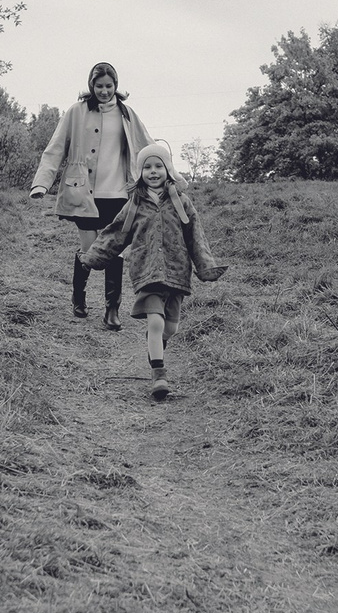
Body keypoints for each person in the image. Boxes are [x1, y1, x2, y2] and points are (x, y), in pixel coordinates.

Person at [83, 141, 226, 400]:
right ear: (140, 173)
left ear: (168, 170)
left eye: (158, 166)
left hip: (176, 271)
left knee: (170, 328)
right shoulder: (134, 205)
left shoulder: (182, 203)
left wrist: (206, 267)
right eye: (147, 167)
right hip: (146, 271)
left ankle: (156, 348)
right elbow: (116, 234)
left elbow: (197, 237)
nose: (153, 171)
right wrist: (93, 256)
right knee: (156, 321)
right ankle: (158, 375)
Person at [30, 62, 153, 329]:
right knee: (89, 250)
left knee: (114, 252)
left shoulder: (127, 114)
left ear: (116, 86)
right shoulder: (76, 112)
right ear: (91, 86)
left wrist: (172, 178)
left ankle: (112, 310)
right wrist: (42, 183)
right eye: (99, 86)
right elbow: (55, 148)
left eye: (109, 86)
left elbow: (148, 147)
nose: (104, 91)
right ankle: (79, 298)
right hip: (82, 191)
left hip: (118, 193)